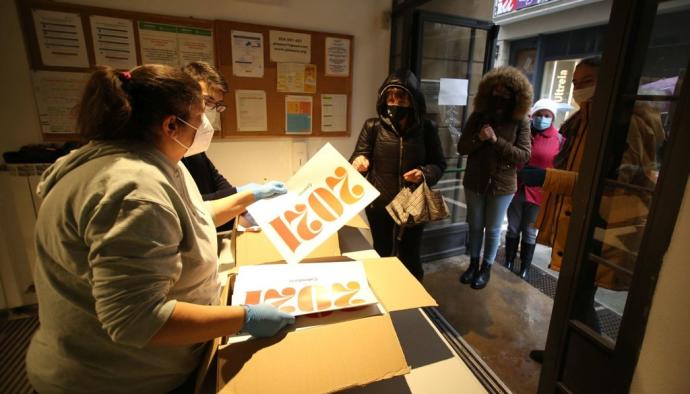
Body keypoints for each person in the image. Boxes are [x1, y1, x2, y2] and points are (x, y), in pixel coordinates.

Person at [26, 65, 295, 393]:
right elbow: (138, 320)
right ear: (171, 124)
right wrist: (245, 318)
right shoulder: (131, 188)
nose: (205, 125)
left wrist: (248, 196)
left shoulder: (156, 162)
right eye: (201, 116)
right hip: (112, 380)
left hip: (135, 365)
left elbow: (191, 218)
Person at [523, 56, 663, 362]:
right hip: (579, 219)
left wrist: (549, 178)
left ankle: (586, 362)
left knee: (580, 298)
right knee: (573, 296)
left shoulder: (626, 123)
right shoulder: (582, 121)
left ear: (610, 81)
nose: (578, 89)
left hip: (604, 224)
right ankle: (565, 354)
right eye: (575, 83)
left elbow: (614, 179)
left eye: (587, 82)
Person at [350, 69, 446, 281]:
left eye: (401, 96)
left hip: (412, 203)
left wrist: (423, 173)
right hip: (379, 204)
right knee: (382, 252)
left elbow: (439, 164)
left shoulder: (427, 129)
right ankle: (385, 295)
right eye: (390, 96)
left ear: (413, 99)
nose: (394, 102)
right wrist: (358, 163)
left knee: (410, 255)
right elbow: (357, 157)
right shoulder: (372, 127)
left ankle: (413, 301)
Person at [457, 66, 533, 290]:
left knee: (492, 228)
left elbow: (524, 155)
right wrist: (480, 138)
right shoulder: (478, 116)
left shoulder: (521, 122)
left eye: (505, 92)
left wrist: (495, 141)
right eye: (495, 91)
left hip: (503, 186)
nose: (499, 96)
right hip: (474, 182)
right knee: (475, 225)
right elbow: (462, 147)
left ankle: (486, 268)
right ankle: (472, 264)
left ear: (516, 96)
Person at [181, 61, 276, 232]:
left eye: (216, 105)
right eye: (207, 101)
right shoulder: (170, 150)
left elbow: (220, 185)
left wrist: (243, 206)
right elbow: (188, 205)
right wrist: (242, 194)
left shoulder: (195, 150)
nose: (210, 111)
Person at [504, 98, 562, 279]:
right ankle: (508, 260)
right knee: (513, 228)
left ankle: (525, 267)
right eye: (539, 114)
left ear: (552, 118)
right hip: (516, 188)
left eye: (547, 116)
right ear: (533, 115)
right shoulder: (522, 132)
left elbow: (561, 167)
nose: (542, 118)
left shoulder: (559, 139)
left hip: (540, 193)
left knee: (530, 231)